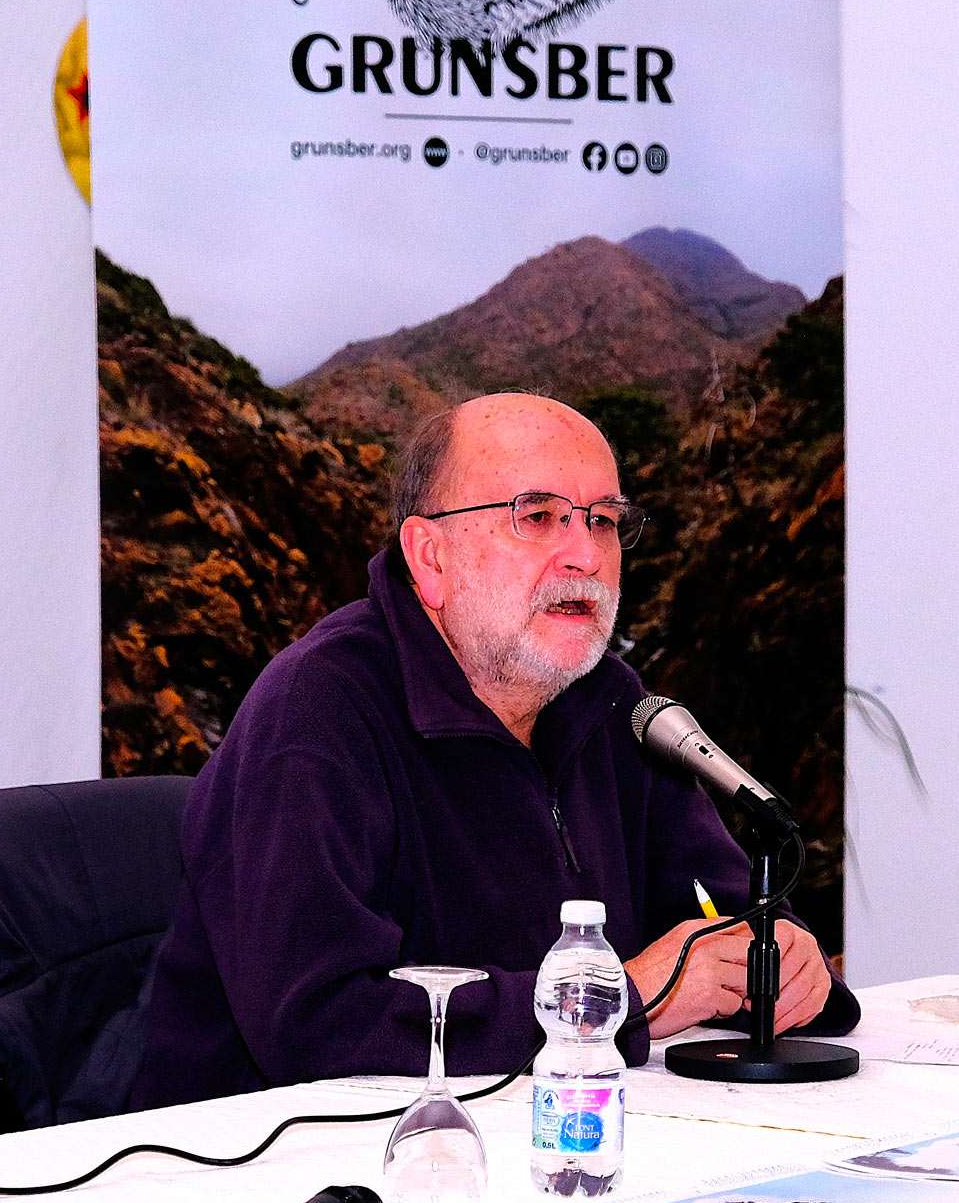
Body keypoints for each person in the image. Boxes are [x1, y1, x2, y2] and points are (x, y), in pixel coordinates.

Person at [133, 393, 857, 1109]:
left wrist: (784, 964)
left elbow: (725, 913)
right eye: (538, 517)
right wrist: (613, 999)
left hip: (547, 1140)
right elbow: (317, 1023)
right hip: (267, 1173)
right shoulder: (316, 712)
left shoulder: (608, 703)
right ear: (431, 557)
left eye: (604, 521)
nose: (586, 556)